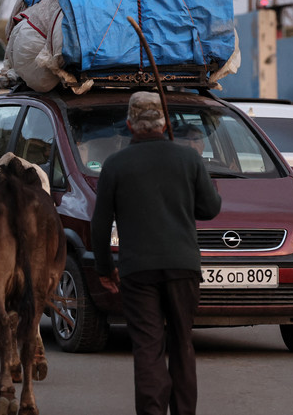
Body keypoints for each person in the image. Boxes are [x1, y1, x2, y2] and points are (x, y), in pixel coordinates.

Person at [91, 91, 221, 415]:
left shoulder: (115, 165)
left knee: (148, 349)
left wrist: (105, 270)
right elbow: (210, 208)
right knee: (182, 345)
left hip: (138, 272)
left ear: (129, 124)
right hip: (184, 267)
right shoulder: (188, 159)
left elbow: (100, 224)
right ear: (164, 123)